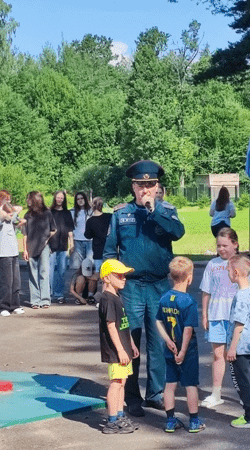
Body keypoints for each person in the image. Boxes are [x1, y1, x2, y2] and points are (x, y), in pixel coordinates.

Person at [103, 160, 185, 417]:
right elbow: (110, 251)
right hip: (132, 286)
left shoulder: (166, 211)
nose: (145, 189)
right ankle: (131, 396)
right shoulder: (121, 213)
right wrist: (110, 285)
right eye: (140, 185)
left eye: (150, 185)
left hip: (159, 285)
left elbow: (178, 232)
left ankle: (155, 393)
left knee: (159, 341)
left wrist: (154, 211)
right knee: (131, 340)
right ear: (133, 186)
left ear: (157, 186)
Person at [199, 227, 250, 408]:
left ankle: (245, 394)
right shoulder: (212, 265)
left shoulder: (243, 265)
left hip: (236, 320)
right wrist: (205, 314)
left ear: (235, 244)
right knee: (218, 355)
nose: (221, 249)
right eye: (218, 245)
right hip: (216, 315)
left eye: (225, 245)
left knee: (238, 360)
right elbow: (206, 291)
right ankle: (216, 393)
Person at [155, 256, 205, 433]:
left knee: (170, 384)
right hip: (187, 350)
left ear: (171, 276)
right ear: (189, 278)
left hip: (170, 348)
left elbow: (158, 321)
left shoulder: (164, 298)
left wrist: (167, 340)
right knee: (190, 385)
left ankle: (170, 421)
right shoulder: (188, 302)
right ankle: (194, 421)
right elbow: (188, 329)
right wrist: (183, 351)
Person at [96, 259, 139, 434]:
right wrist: (120, 350)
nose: (124, 278)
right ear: (107, 278)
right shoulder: (107, 299)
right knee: (116, 383)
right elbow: (111, 326)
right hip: (116, 351)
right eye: (119, 275)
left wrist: (131, 344)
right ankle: (112, 421)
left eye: (124, 275)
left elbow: (124, 325)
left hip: (124, 349)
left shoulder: (116, 297)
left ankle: (120, 416)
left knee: (122, 382)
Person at [225, 254, 250, 428]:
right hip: (249, 343)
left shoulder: (242, 296)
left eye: (228, 270)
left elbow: (239, 324)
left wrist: (232, 348)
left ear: (236, 272)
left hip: (240, 346)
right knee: (247, 378)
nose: (227, 273)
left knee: (241, 380)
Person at [22, 191, 56, 309]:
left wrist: (46, 239)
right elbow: (24, 234)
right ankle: (35, 300)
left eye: (29, 198)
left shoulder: (47, 213)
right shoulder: (27, 215)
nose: (27, 201)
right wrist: (25, 250)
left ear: (34, 200)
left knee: (44, 273)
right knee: (33, 275)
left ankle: (45, 299)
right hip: (31, 247)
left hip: (44, 247)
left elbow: (53, 229)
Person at [0, 200, 25, 317]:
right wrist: (1, 210)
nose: (11, 215)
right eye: (9, 213)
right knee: (5, 282)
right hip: (4, 255)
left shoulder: (11, 222)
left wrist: (14, 211)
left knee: (15, 282)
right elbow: (4, 216)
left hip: (14, 254)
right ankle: (3, 307)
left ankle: (15, 305)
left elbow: (19, 210)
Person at [49, 190, 74, 304]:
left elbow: (70, 230)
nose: (59, 200)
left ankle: (59, 294)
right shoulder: (49, 212)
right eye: (58, 197)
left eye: (62, 198)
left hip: (63, 246)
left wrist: (71, 244)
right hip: (51, 246)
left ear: (64, 200)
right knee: (49, 272)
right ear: (55, 198)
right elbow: (46, 229)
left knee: (61, 271)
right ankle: (49, 294)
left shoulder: (67, 213)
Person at [84, 197, 111, 274]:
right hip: (109, 249)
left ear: (92, 206)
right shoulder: (109, 216)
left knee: (98, 273)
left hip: (97, 250)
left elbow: (88, 236)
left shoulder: (90, 221)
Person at [71, 191, 92, 268]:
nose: (80, 200)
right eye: (78, 199)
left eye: (82, 198)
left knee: (89, 266)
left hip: (90, 241)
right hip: (77, 241)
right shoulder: (72, 212)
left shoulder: (91, 211)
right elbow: (70, 229)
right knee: (76, 266)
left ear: (85, 199)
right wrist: (71, 244)